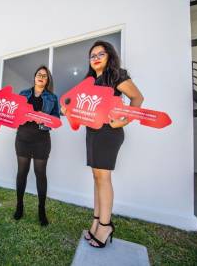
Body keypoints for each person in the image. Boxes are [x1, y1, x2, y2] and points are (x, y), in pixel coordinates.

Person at [61, 41, 144, 247]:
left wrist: (124, 120)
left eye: (101, 53)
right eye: (92, 55)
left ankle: (106, 225)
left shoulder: (116, 75)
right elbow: (78, 105)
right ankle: (96, 221)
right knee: (97, 176)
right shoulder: (89, 80)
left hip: (108, 133)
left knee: (103, 177)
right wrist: (67, 110)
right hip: (92, 132)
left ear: (109, 56)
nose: (96, 57)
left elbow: (137, 98)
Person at [14, 65, 60, 226]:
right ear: (34, 77)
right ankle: (19, 205)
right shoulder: (23, 94)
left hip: (41, 140)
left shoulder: (52, 98)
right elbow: (15, 114)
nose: (41, 77)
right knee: (22, 173)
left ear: (47, 81)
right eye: (39, 74)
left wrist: (45, 119)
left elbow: (56, 120)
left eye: (45, 76)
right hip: (23, 138)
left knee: (40, 174)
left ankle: (41, 210)